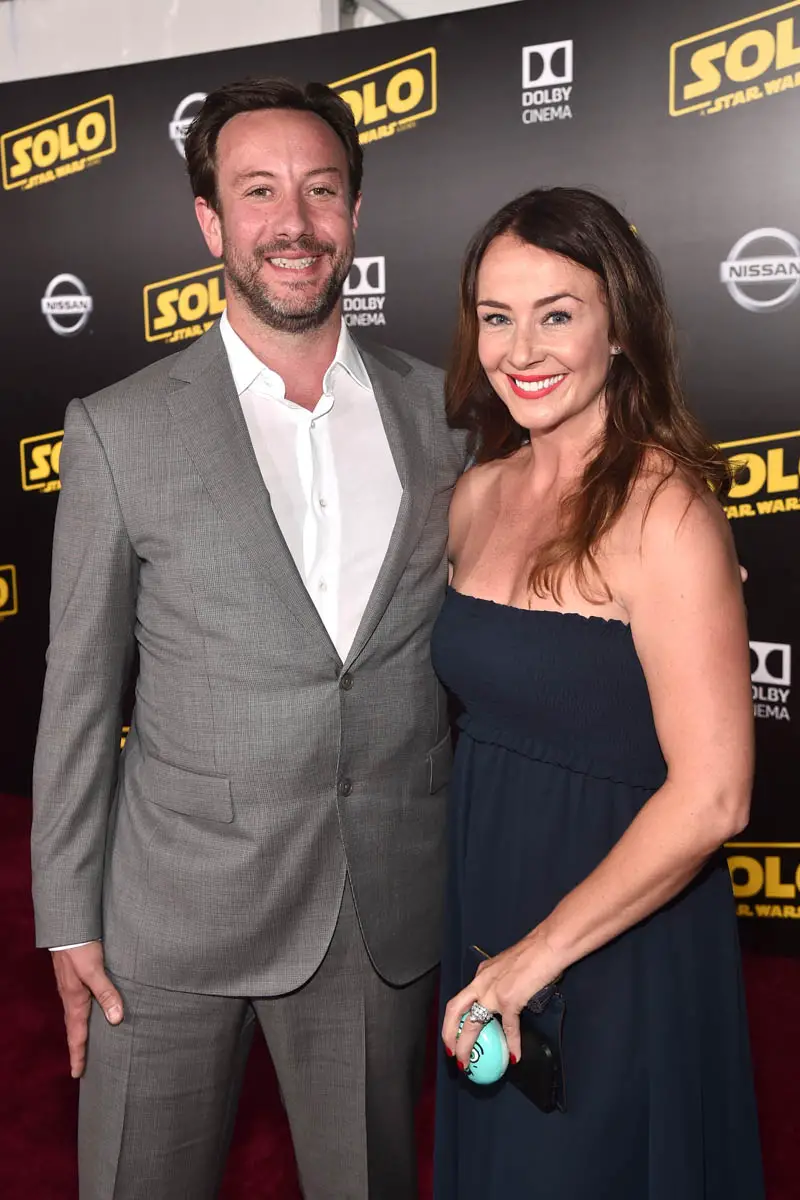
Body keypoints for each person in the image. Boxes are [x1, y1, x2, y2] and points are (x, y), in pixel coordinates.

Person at [31, 79, 464, 1200]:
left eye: (321, 190)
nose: (294, 222)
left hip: (376, 908)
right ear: (210, 222)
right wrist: (67, 920)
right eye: (258, 191)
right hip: (168, 918)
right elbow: (79, 692)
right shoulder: (119, 429)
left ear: (355, 212)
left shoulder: (446, 417)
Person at [432, 187, 764, 1198]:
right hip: (486, 899)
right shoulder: (475, 494)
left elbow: (715, 797)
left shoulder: (665, 511)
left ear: (619, 326)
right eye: (497, 317)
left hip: (616, 932)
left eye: (557, 314)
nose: (521, 349)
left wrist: (535, 959)